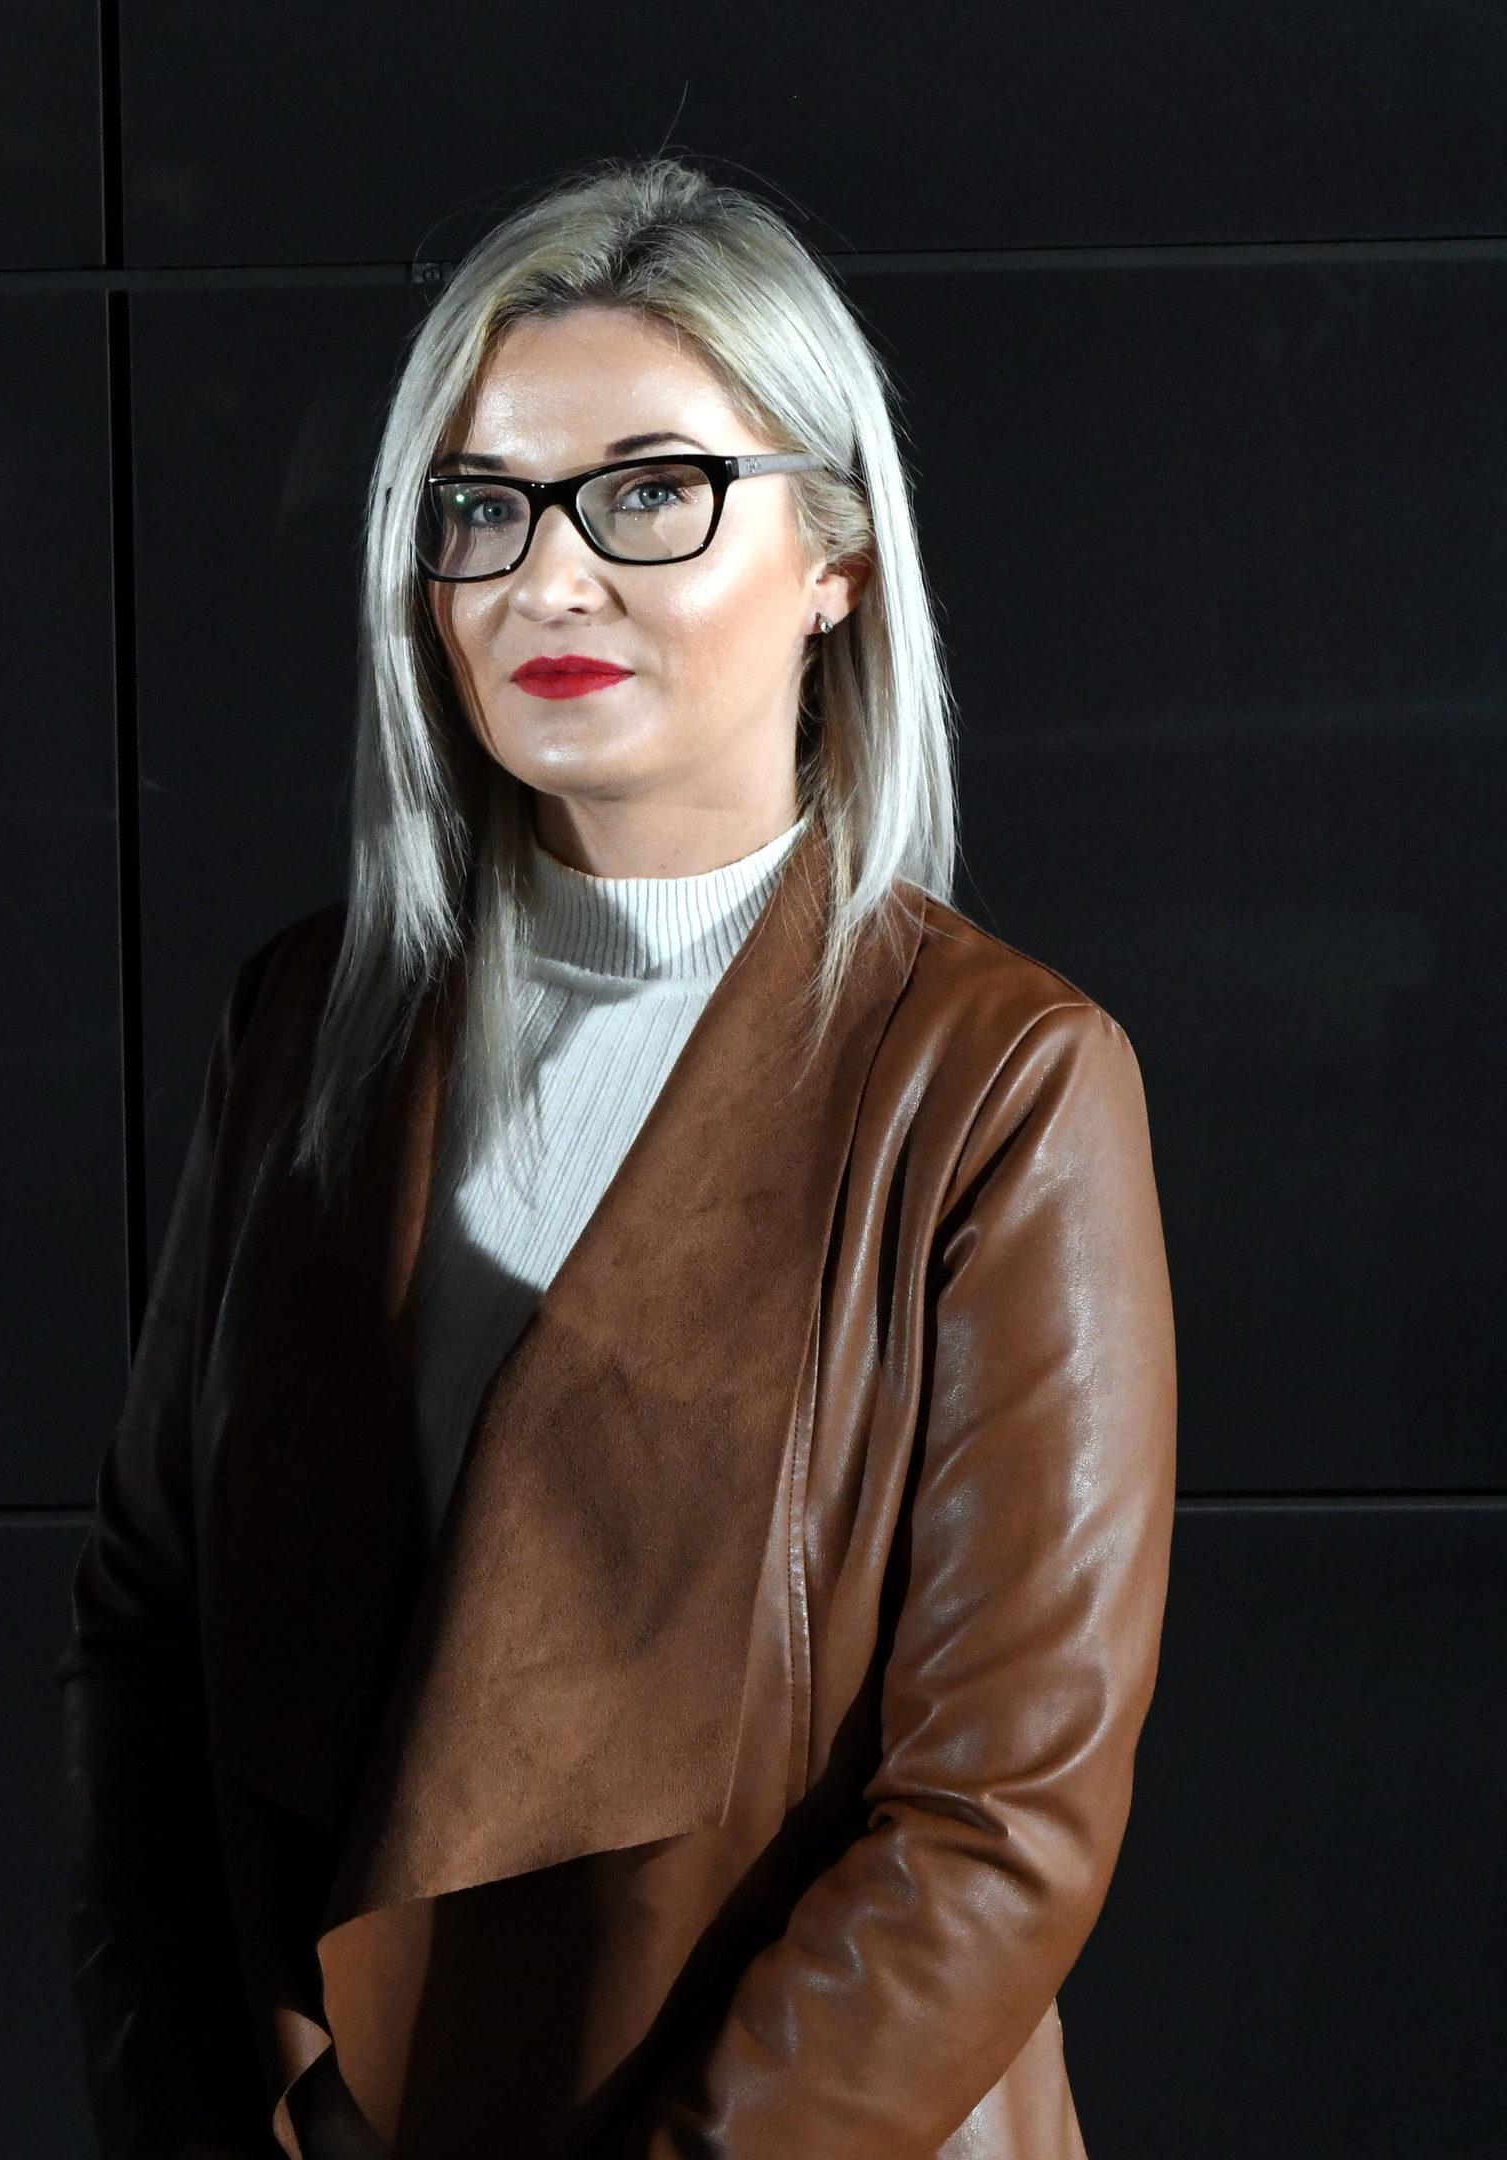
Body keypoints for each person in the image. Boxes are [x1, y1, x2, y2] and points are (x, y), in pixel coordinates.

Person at [63, 162, 1174, 2160]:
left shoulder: (996, 1078)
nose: (547, 581)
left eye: (649, 491)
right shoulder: (309, 1025)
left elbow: (1000, 1814)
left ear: (831, 551)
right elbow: (151, 1645)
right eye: (478, 508)